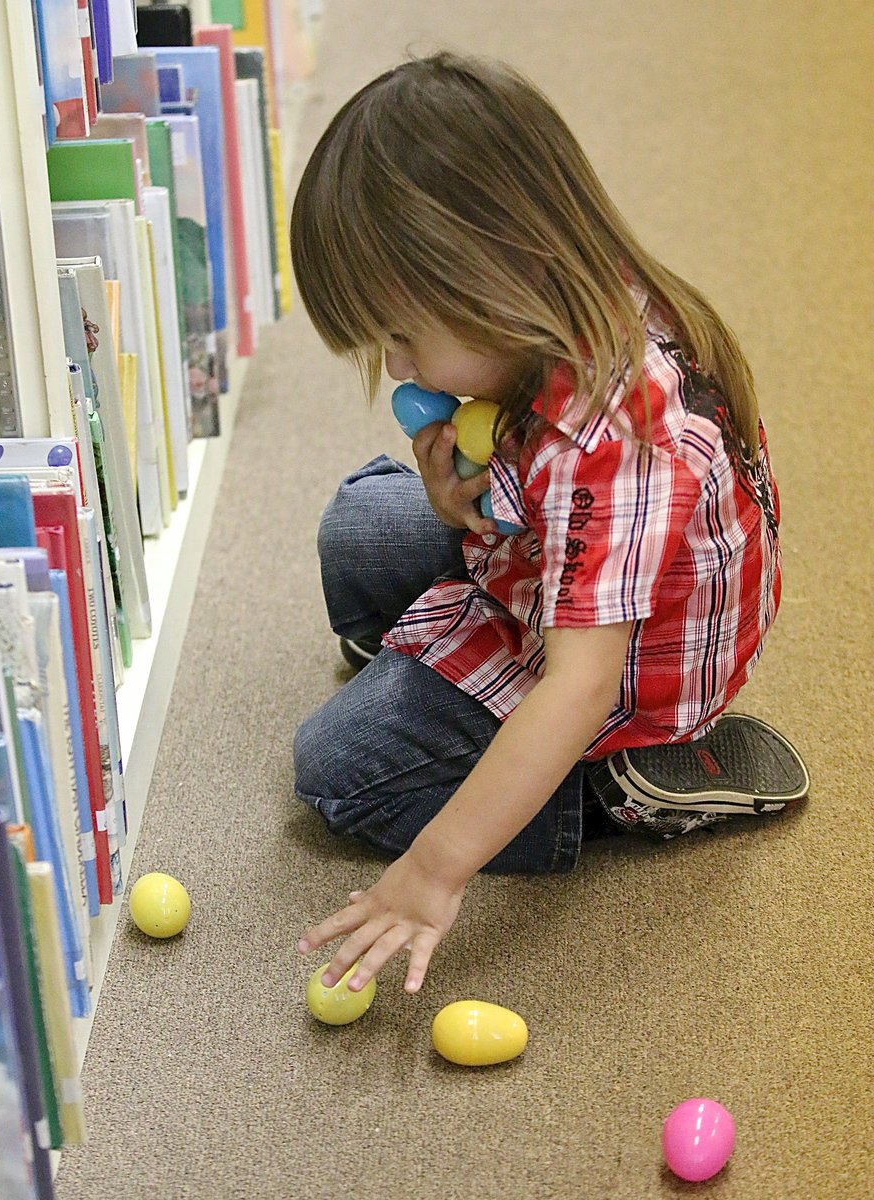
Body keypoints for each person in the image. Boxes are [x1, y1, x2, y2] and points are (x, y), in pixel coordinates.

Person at [289, 52, 808, 996]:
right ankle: (450, 691)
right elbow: (538, 499)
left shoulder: (617, 444)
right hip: (554, 553)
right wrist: (456, 500)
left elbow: (576, 688)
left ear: (492, 278)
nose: (399, 369)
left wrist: (434, 873)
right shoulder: (561, 302)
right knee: (356, 532)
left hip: (622, 677)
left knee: (339, 765)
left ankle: (616, 790)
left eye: (403, 335)